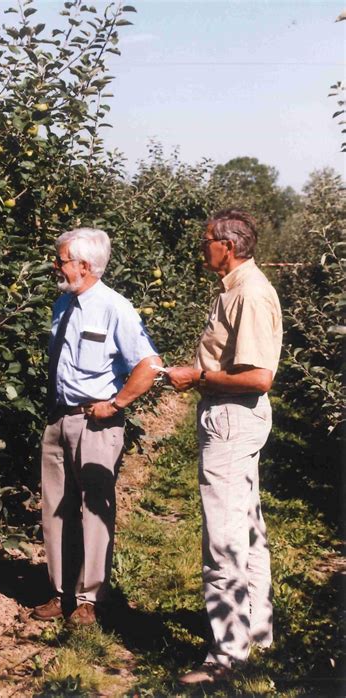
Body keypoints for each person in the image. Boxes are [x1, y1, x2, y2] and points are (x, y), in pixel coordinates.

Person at [167, 209, 282, 684]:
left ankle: (227, 654)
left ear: (227, 245)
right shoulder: (234, 289)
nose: (202, 247)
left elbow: (259, 377)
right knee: (247, 525)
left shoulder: (250, 294)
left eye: (206, 240)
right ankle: (257, 628)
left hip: (233, 420)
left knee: (223, 536)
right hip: (233, 419)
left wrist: (198, 376)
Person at [34, 227, 162, 627]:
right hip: (60, 417)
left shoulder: (115, 308)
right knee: (55, 508)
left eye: (62, 261)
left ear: (85, 266)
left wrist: (118, 403)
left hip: (95, 421)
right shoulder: (63, 305)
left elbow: (150, 365)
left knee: (93, 509)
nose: (56, 266)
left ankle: (90, 599)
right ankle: (61, 592)